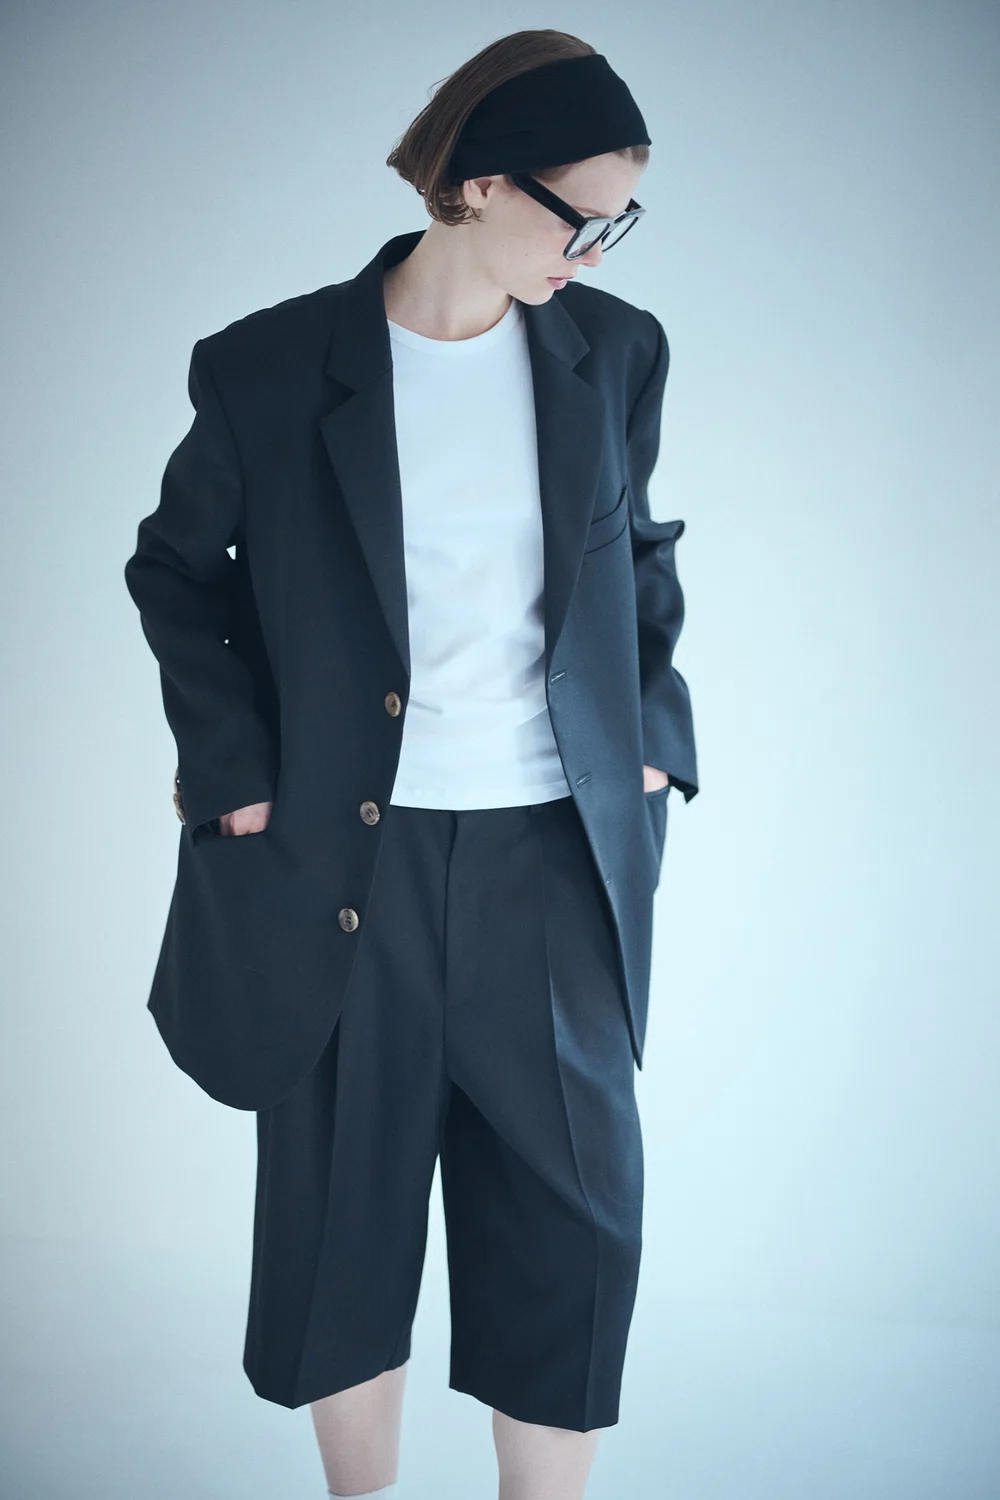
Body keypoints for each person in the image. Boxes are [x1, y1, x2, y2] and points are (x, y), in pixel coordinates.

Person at [124, 28, 698, 1500]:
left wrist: (655, 751)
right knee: (343, 1219)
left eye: (619, 222)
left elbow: (640, 563)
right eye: (580, 218)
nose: (595, 250)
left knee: (576, 1226)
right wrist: (231, 770)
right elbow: (175, 570)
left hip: (554, 859)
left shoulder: (616, 354)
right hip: (342, 858)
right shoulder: (269, 367)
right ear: (477, 185)